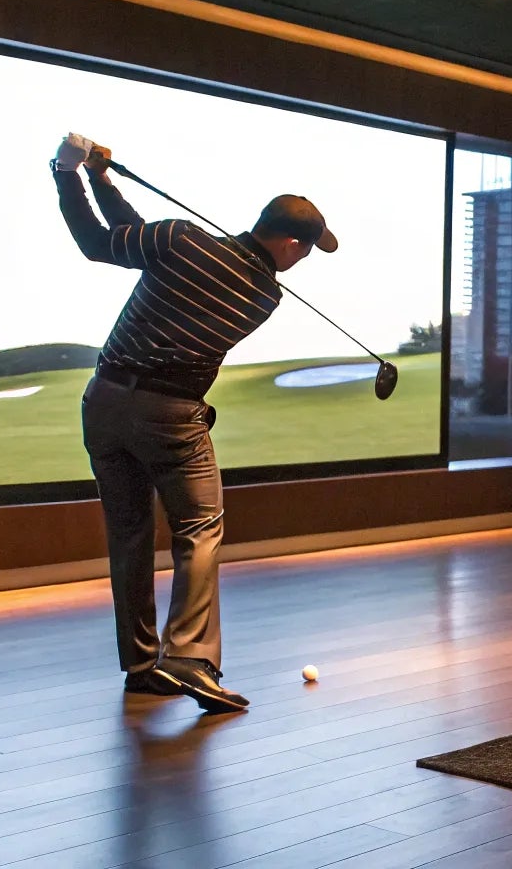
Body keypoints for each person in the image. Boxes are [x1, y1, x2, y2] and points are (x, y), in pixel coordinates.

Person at [50, 132, 338, 712]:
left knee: (129, 535)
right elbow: (139, 237)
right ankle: (189, 657)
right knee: (199, 526)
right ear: (286, 243)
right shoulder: (263, 294)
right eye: (305, 249)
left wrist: (74, 173)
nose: (304, 259)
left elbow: (106, 242)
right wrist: (103, 181)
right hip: (172, 417)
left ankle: (141, 665)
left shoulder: (180, 241)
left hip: (103, 403)